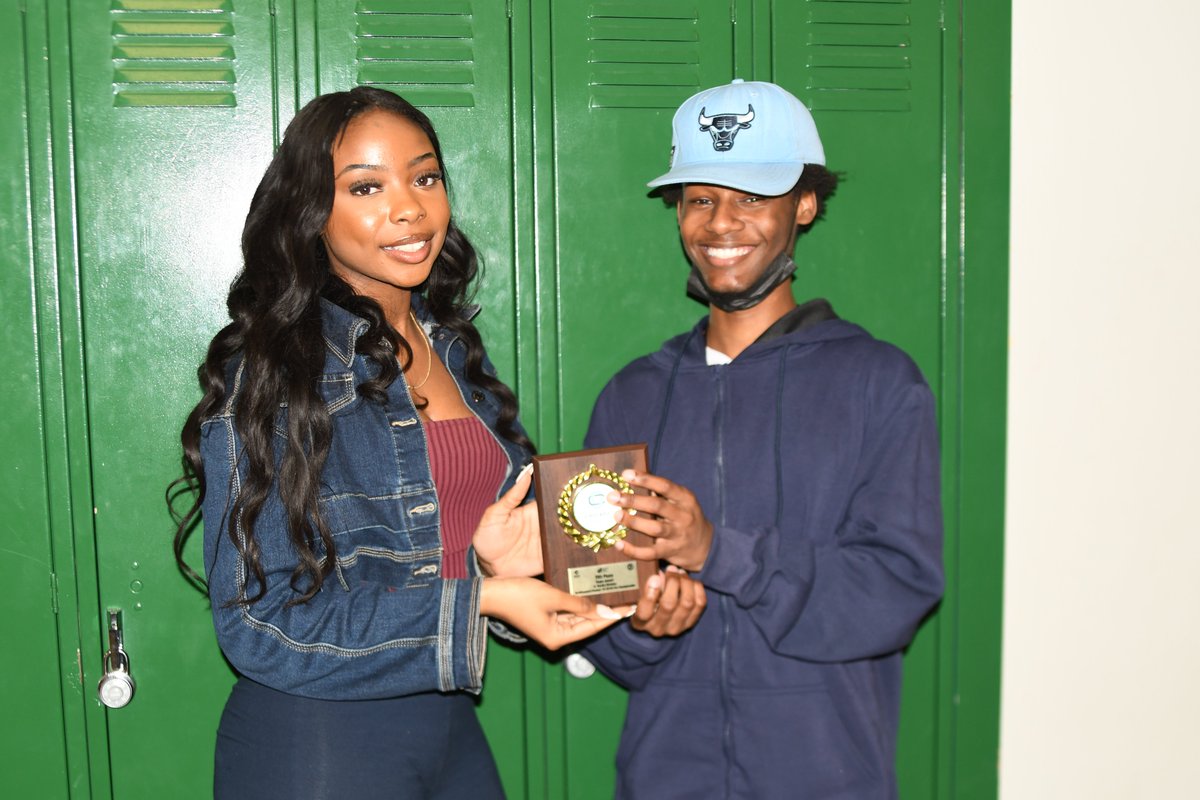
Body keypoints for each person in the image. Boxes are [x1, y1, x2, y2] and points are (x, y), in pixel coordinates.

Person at [170, 86, 628, 799]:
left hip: (447, 726)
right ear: (313, 212)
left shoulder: (448, 351)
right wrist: (480, 601)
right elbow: (259, 623)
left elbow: (457, 559)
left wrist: (500, 567)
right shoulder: (276, 370)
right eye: (366, 187)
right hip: (317, 744)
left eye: (425, 177)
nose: (409, 207)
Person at [581, 79, 945, 798]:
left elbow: (897, 590)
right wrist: (641, 628)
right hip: (662, 780)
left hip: (828, 777)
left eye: (753, 196)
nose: (722, 224)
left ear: (804, 204)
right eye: (701, 198)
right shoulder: (631, 395)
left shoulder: (878, 383)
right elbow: (598, 599)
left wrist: (719, 552)